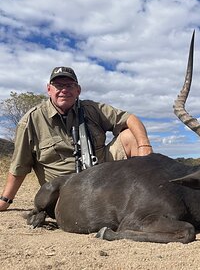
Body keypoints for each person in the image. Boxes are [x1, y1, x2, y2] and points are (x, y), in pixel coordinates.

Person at [0, 66, 153, 211]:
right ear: (49, 89)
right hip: (64, 191)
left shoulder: (92, 109)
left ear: (78, 90)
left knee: (130, 135)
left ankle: (148, 196)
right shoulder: (30, 121)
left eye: (70, 85)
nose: (64, 90)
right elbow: (20, 165)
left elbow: (130, 118)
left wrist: (144, 146)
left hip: (103, 177)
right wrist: (5, 200)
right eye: (58, 85)